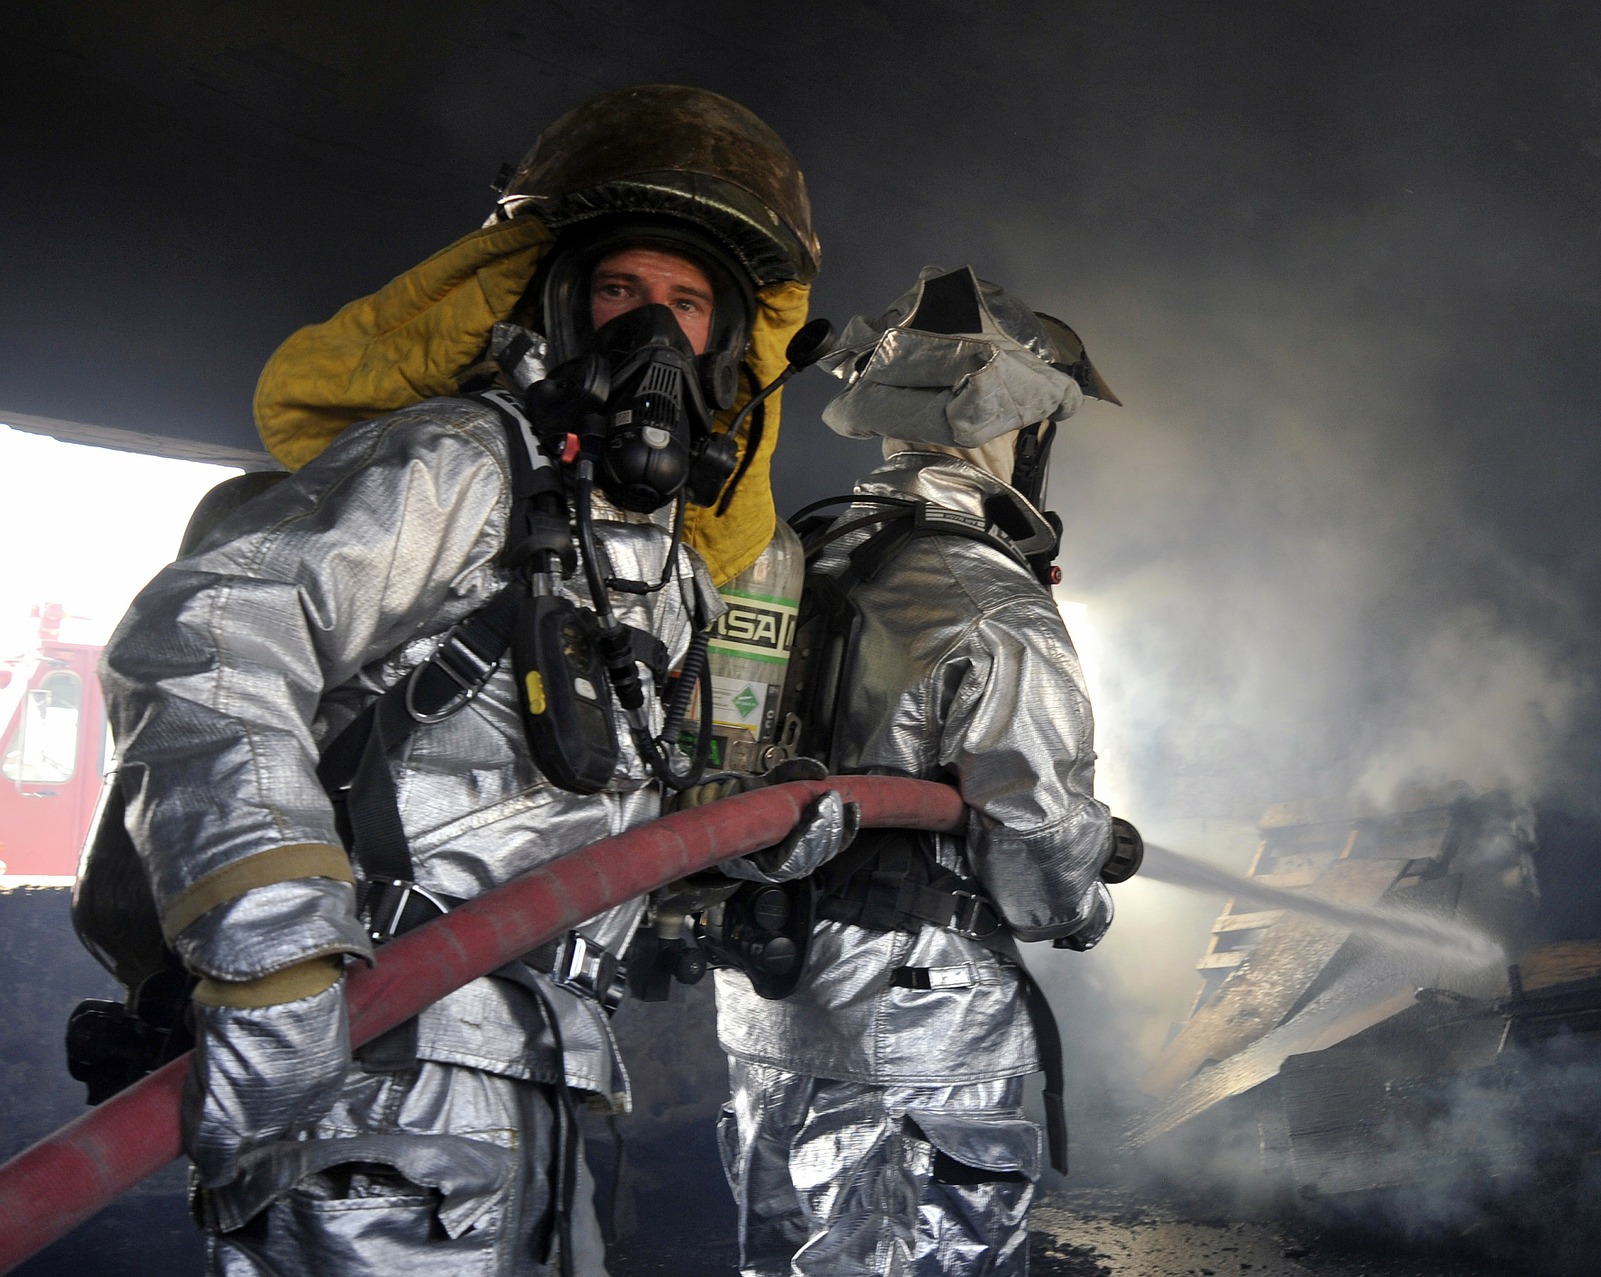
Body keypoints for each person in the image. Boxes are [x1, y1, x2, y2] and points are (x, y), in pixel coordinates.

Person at [97, 84, 833, 1277]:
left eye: (687, 304)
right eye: (620, 292)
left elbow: (602, 817)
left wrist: (768, 840)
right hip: (371, 1073)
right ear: (555, 305)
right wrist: (274, 953)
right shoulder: (457, 462)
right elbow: (208, 633)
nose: (652, 333)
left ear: (729, 343)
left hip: (551, 1069)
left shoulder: (675, 568)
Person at [710, 265, 1124, 1276]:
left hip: (767, 999)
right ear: (1023, 430)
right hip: (917, 1019)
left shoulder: (797, 549)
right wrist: (1082, 898)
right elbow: (1030, 835)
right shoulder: (991, 598)